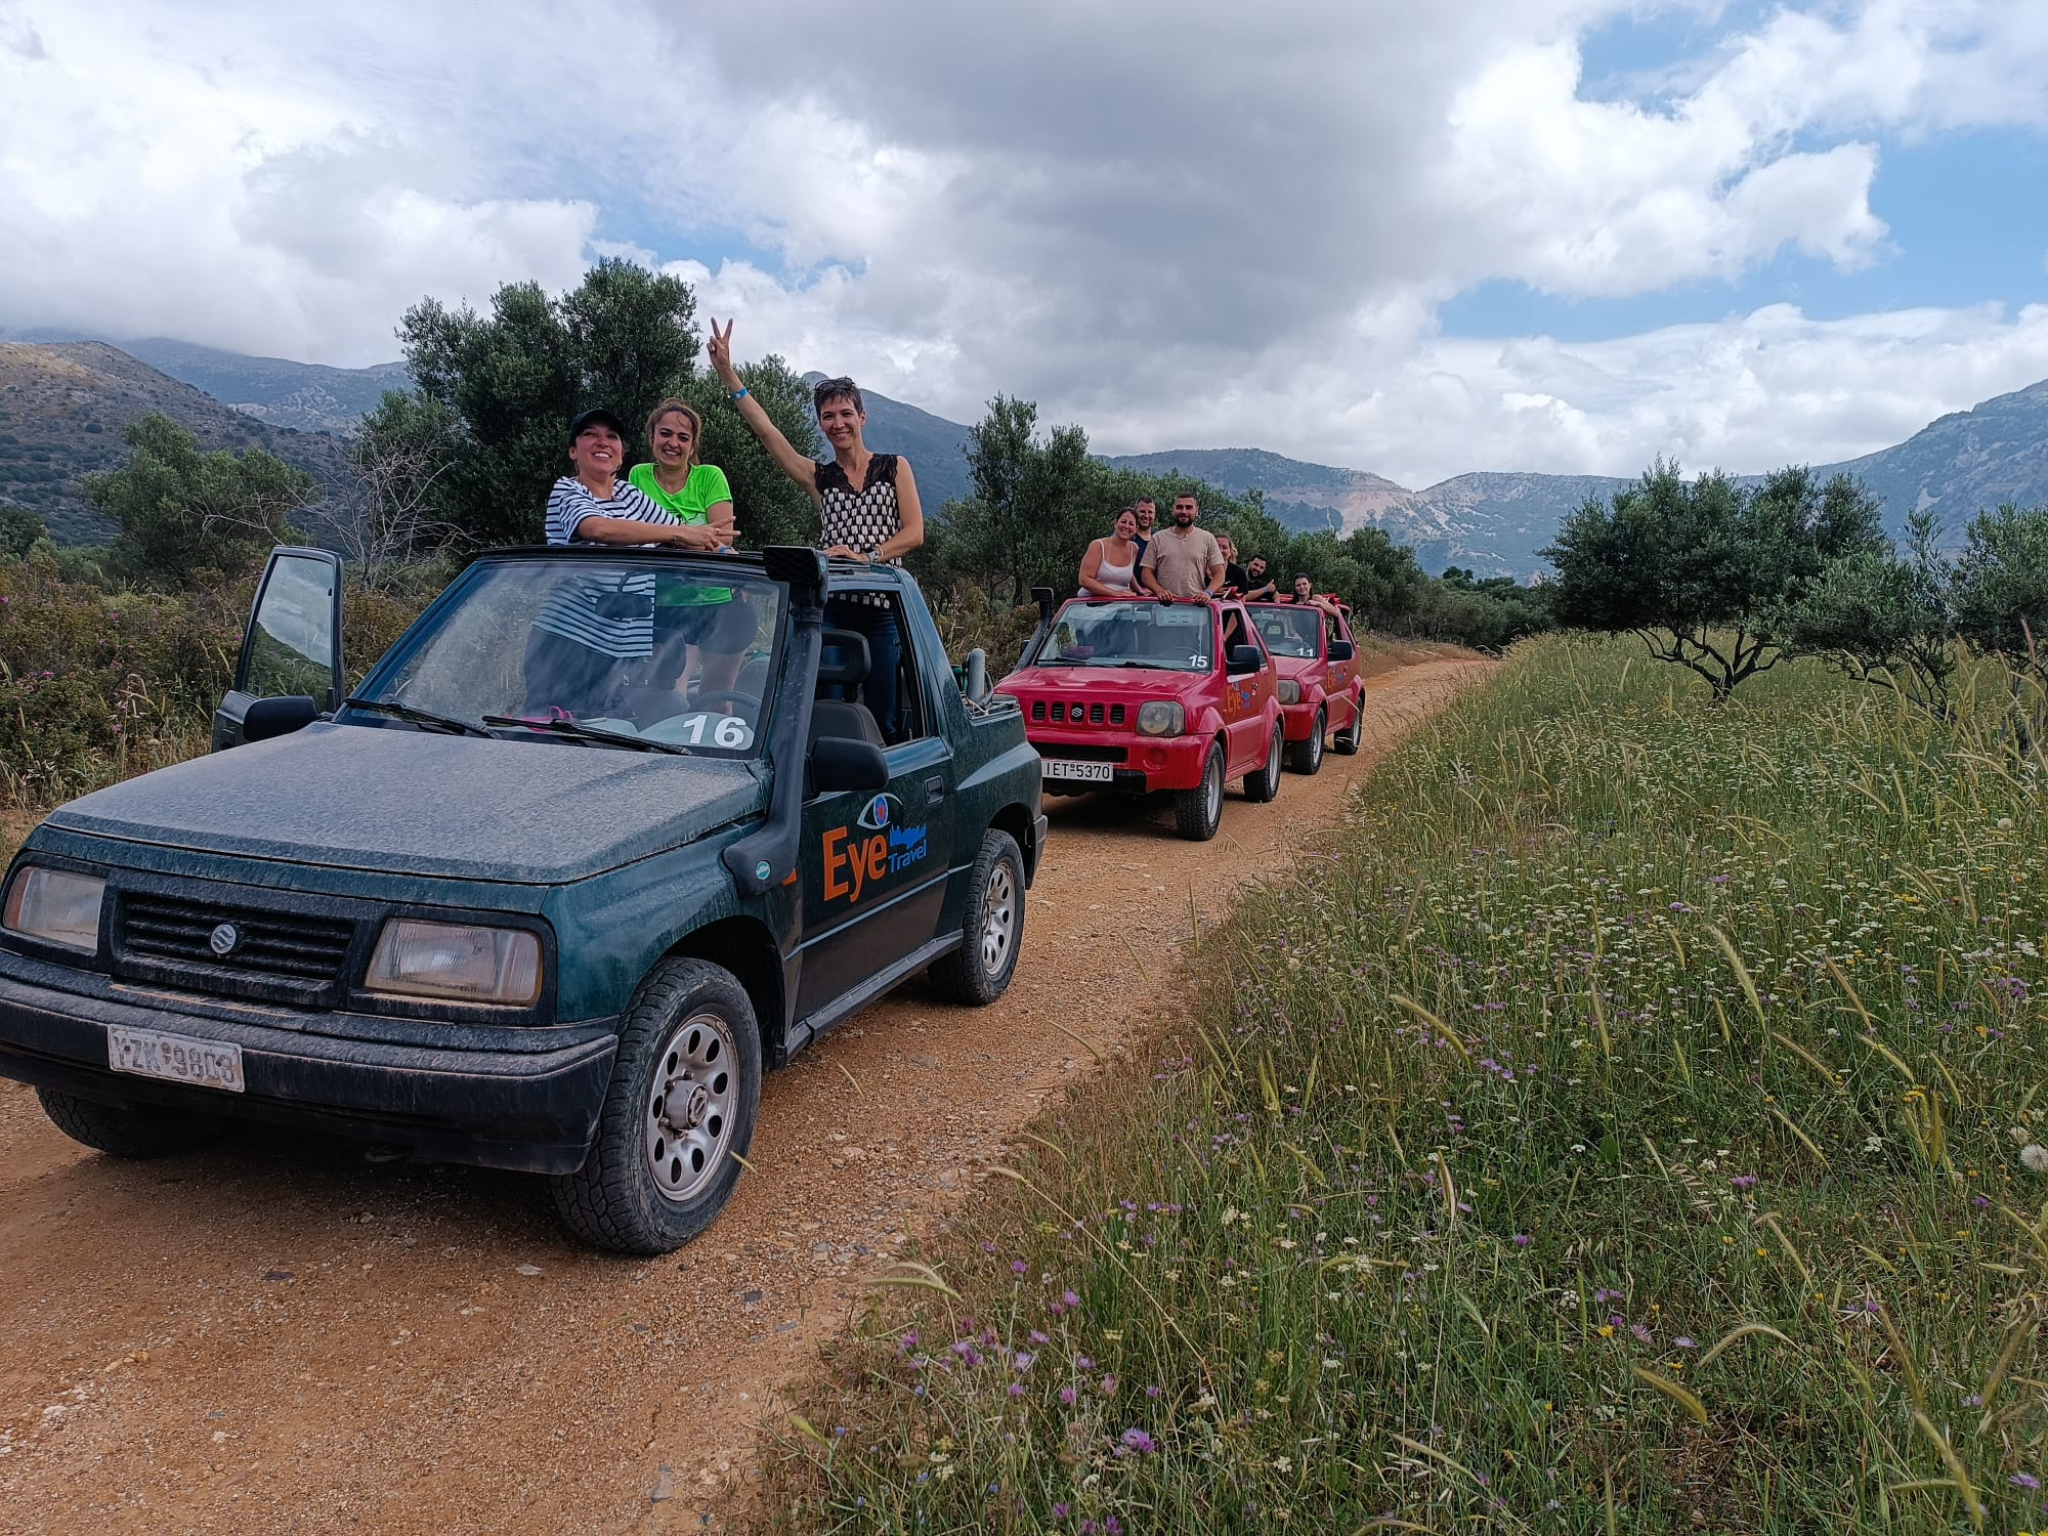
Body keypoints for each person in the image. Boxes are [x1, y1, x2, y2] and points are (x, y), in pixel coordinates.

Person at [706, 319, 925, 738]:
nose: (838, 423)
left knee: (883, 713)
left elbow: (915, 533)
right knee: (824, 708)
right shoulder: (817, 477)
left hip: (883, 610)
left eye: (845, 413)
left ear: (861, 416)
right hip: (831, 607)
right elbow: (767, 432)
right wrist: (727, 373)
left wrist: (868, 556)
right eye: (828, 416)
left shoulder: (895, 467)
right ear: (821, 423)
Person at [526, 409, 717, 714]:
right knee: (553, 739)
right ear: (573, 450)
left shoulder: (630, 496)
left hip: (619, 652)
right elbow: (596, 528)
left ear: (621, 454)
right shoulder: (567, 490)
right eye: (591, 434)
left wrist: (721, 552)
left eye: (611, 437)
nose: (602, 442)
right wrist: (681, 532)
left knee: (607, 741)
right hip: (567, 643)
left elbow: (679, 538)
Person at [628, 399, 753, 701]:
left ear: (693, 444)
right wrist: (694, 536)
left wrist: (665, 537)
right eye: (666, 434)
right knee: (670, 698)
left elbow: (723, 539)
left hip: (718, 603)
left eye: (683, 437)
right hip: (665, 604)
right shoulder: (638, 476)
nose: (673, 443)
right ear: (652, 437)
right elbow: (634, 537)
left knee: (718, 698)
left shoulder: (709, 476)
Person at [1140, 493, 1225, 600]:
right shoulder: (1158, 538)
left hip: (1197, 606)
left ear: (1196, 511)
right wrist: (1159, 591)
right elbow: (1146, 573)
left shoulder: (1207, 538)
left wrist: (1208, 593)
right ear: (1173, 510)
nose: (1184, 511)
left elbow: (1219, 574)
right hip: (1164, 605)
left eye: (1189, 508)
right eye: (1179, 507)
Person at [1078, 509, 1143, 597]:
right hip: (1093, 604)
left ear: (1136, 528)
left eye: (1131, 524)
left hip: (1121, 605)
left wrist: (1140, 591)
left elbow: (1127, 574)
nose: (1126, 526)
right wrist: (1114, 593)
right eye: (1123, 522)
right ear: (1115, 523)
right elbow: (1084, 579)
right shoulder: (1098, 546)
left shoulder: (1134, 548)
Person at [1129, 497, 1157, 574]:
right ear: (1135, 512)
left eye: (1150, 512)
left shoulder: (1159, 538)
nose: (1146, 515)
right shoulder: (1126, 537)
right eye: (1142, 511)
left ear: (1154, 515)